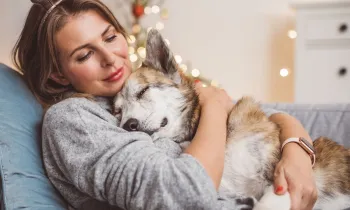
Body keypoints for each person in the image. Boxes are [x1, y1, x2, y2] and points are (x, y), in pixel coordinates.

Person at [12, 0, 317, 209]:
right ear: (56, 76)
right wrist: (212, 104)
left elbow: (262, 117)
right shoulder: (72, 119)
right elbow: (185, 196)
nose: (110, 58)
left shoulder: (140, 86)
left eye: (109, 37)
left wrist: (298, 153)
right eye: (84, 55)